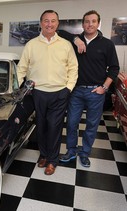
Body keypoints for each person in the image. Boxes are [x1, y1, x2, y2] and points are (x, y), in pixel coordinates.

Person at [17, 10, 78, 175]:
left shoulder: (65, 45)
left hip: (60, 93)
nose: (49, 24)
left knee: (54, 127)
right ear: (41, 23)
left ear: (57, 23)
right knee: (41, 126)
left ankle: (52, 160)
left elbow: (73, 68)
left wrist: (68, 88)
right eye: (46, 21)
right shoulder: (31, 44)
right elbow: (21, 68)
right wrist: (16, 87)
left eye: (53, 21)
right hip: (38, 93)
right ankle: (43, 155)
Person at [59, 10, 120, 167]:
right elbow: (59, 31)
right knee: (72, 123)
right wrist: (76, 39)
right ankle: (71, 151)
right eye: (87, 21)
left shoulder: (107, 44)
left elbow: (114, 68)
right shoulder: (75, 40)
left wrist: (104, 88)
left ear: (98, 23)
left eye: (93, 21)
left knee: (91, 126)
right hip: (76, 91)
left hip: (96, 91)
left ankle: (85, 153)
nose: (90, 24)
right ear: (83, 23)